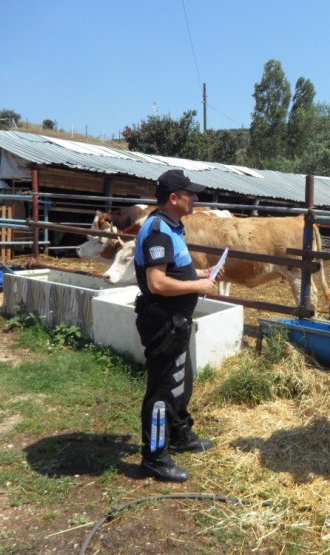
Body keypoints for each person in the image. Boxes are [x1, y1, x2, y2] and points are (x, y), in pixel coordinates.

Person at [134, 169, 224, 482]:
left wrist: (201, 274)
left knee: (179, 382)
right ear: (174, 198)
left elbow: (174, 271)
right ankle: (155, 456)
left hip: (176, 321)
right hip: (163, 323)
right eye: (191, 194)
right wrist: (198, 288)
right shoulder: (158, 230)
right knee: (162, 390)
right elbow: (157, 282)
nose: (196, 199)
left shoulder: (173, 227)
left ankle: (180, 434)